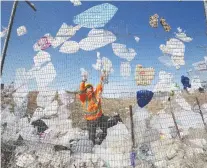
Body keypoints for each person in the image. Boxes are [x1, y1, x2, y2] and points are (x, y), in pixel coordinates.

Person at [78, 73, 122, 145]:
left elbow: (99, 87)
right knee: (91, 141)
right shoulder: (84, 98)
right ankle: (95, 145)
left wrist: (102, 79)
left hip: (100, 117)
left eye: (91, 87)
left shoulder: (95, 95)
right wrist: (83, 81)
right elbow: (81, 91)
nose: (90, 88)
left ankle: (116, 118)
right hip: (91, 121)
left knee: (109, 126)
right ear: (85, 90)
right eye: (88, 87)